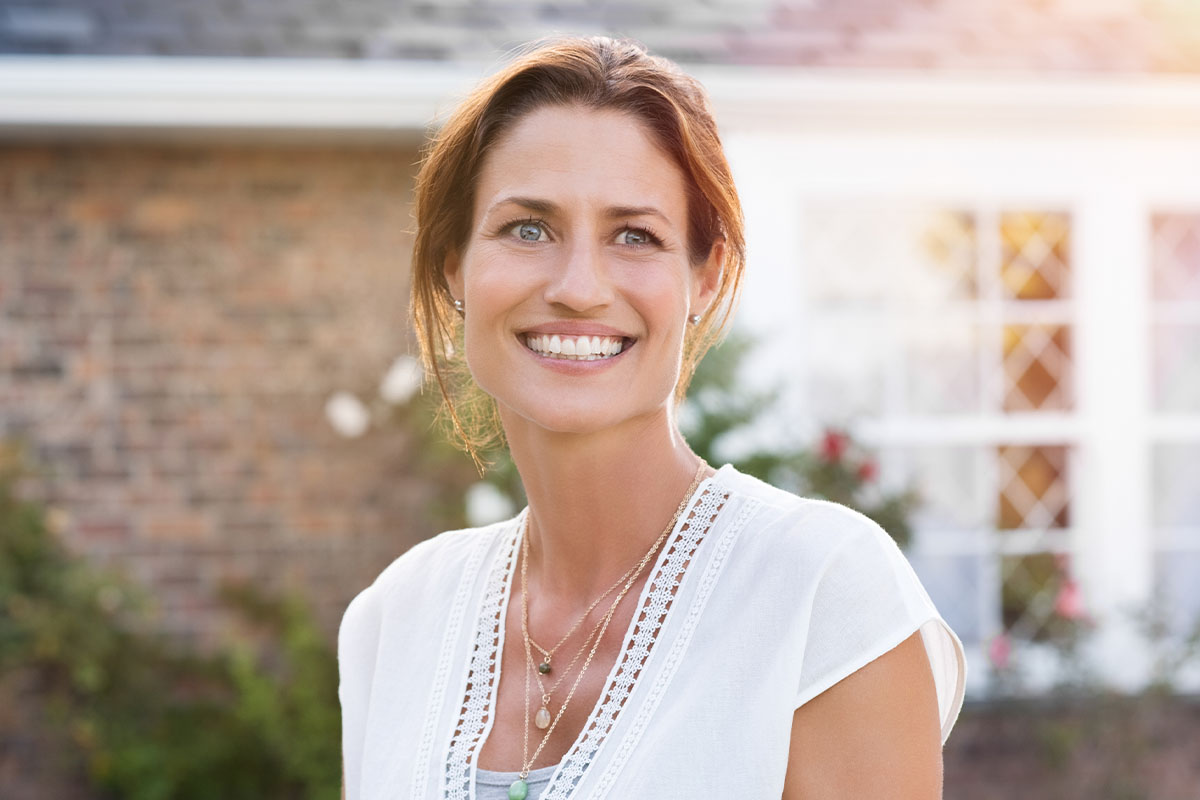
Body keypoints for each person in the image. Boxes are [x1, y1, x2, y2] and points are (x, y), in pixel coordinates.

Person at [338, 35, 966, 800]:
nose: (578, 287)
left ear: (708, 277)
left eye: (635, 236)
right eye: (528, 228)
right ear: (454, 266)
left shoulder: (822, 597)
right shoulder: (394, 621)